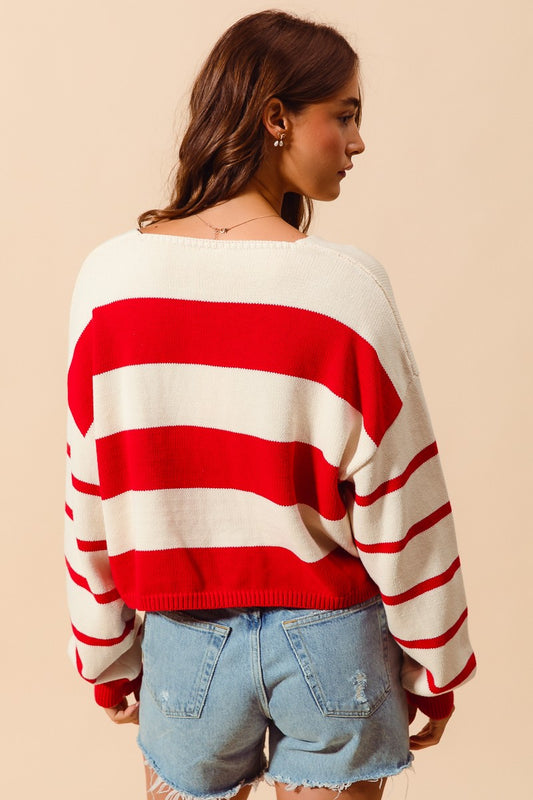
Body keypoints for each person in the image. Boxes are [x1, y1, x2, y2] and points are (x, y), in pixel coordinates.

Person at [64, 10, 476, 800]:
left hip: (183, 646)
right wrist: (436, 663)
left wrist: (104, 653)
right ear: (275, 118)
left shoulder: (108, 282)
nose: (358, 142)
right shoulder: (344, 287)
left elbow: (91, 486)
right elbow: (402, 495)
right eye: (344, 116)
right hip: (334, 643)